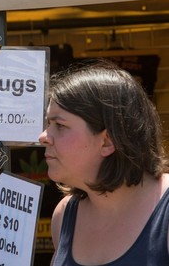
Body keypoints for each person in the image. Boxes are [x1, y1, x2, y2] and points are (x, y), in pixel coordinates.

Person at [39, 59, 169, 265]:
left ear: (107, 141)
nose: (43, 136)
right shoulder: (65, 215)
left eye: (60, 125)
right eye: (48, 123)